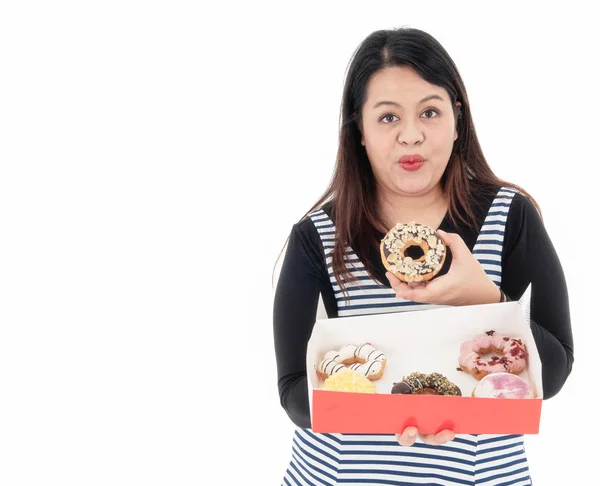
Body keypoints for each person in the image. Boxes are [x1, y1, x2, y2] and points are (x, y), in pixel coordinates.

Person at [272, 27, 573, 486]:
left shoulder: (509, 216)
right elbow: (294, 390)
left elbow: (553, 375)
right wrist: (394, 412)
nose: (411, 136)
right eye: (388, 118)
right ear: (360, 132)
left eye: (429, 112)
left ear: (457, 120)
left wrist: (484, 300)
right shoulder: (318, 236)